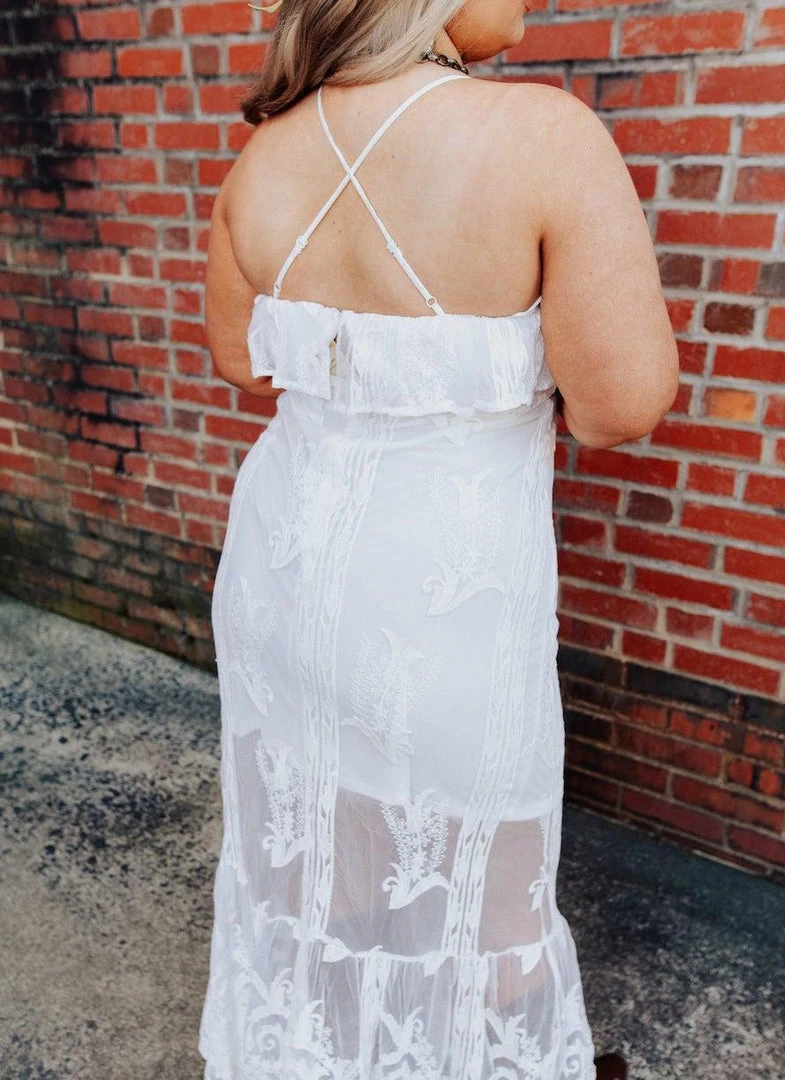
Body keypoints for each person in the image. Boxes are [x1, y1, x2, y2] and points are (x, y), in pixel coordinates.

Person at [199, 0, 680, 1076]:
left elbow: (241, 360)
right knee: (483, 889)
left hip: (286, 568)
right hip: (446, 599)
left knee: (328, 853)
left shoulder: (263, 155)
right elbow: (622, 405)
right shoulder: (545, 139)